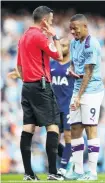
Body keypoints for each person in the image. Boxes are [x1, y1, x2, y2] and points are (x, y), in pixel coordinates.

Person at [14, 5, 64, 181]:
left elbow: (18, 67)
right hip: (42, 86)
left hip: (27, 86)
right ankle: (53, 172)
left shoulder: (23, 37)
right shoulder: (40, 36)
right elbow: (59, 55)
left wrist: (28, 81)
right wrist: (54, 35)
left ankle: (28, 174)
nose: (51, 23)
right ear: (44, 21)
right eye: (50, 21)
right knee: (53, 126)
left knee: (28, 128)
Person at [66, 14, 104, 180]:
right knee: (75, 128)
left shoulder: (91, 44)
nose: (72, 31)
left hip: (92, 90)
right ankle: (78, 171)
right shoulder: (74, 43)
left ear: (85, 27)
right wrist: (72, 70)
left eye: (75, 28)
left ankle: (93, 172)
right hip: (78, 89)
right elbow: (75, 62)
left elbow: (88, 72)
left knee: (90, 128)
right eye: (71, 28)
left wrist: (78, 97)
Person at [50, 37, 75, 177]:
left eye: (64, 45)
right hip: (53, 107)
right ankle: (69, 157)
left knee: (68, 137)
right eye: (60, 45)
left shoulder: (73, 65)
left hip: (67, 107)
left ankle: (63, 168)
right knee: (53, 140)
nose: (61, 48)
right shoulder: (51, 64)